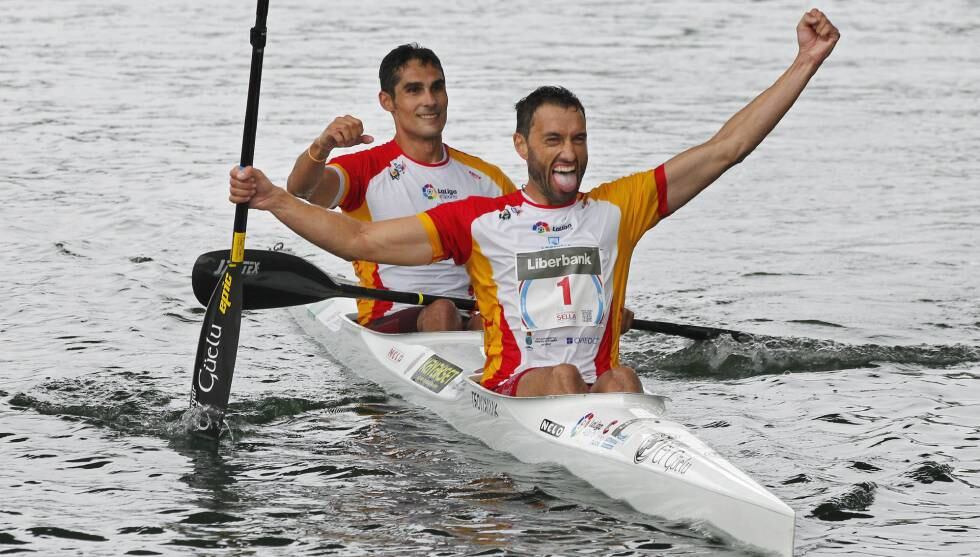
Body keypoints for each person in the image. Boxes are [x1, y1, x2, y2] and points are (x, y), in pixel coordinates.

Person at [230, 10, 839, 397]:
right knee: (562, 374)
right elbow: (360, 243)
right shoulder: (481, 222)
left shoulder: (617, 209)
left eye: (578, 139)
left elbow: (725, 149)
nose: (568, 153)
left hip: (597, 390)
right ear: (524, 145)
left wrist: (805, 63)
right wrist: (277, 199)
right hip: (518, 387)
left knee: (620, 376)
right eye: (553, 140)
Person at [285, 43, 518, 333]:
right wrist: (323, 146)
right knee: (442, 311)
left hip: (470, 316)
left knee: (495, 317)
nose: (430, 100)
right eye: (414, 90)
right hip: (390, 317)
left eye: (437, 88)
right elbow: (301, 189)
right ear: (387, 101)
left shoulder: (487, 178)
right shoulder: (364, 170)